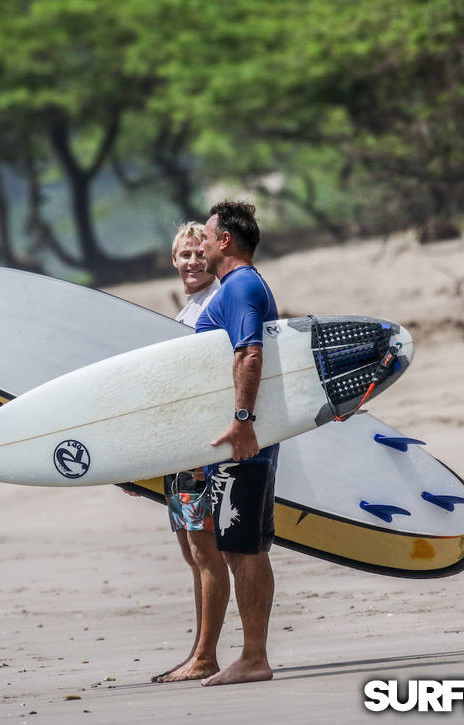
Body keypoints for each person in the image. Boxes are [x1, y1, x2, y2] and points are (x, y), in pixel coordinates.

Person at [195, 200, 278, 686]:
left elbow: (250, 353)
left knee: (243, 549)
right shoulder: (238, 286)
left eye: (206, 238)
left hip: (243, 440)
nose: (202, 246)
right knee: (243, 548)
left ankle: (253, 657)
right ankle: (253, 655)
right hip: (244, 439)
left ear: (225, 241)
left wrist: (242, 422)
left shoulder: (241, 285)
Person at [146, 222, 231, 684]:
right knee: (191, 552)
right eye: (185, 255)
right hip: (177, 451)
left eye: (200, 254)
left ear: (213, 256)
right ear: (173, 261)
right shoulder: (184, 313)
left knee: (205, 551)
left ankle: (206, 655)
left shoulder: (216, 304)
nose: (193, 262)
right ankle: (200, 651)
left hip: (200, 450)